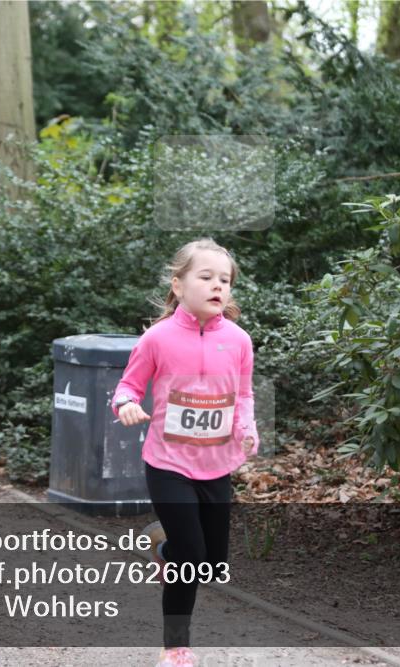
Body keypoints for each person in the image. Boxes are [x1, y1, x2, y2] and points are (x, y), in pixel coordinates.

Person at [111, 238, 258, 667]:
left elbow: (244, 395)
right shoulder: (157, 339)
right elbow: (127, 387)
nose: (218, 286)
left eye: (225, 280)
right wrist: (126, 406)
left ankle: (162, 549)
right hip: (168, 465)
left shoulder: (239, 340)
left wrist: (246, 428)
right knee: (192, 559)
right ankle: (175, 647)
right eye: (206, 277)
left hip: (216, 466)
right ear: (178, 285)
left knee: (211, 567)